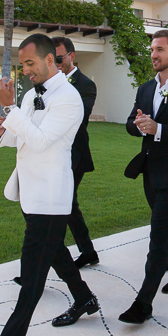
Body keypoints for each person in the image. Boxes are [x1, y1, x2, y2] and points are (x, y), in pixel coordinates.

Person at [0, 34, 99, 336]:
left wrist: (10, 109)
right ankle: (84, 297)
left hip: (51, 198)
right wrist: (2, 128)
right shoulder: (30, 94)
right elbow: (20, 137)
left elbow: (40, 141)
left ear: (49, 60)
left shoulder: (70, 98)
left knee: (32, 276)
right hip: (31, 193)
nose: (25, 70)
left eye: (30, 63)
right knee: (54, 251)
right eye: (22, 64)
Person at [119, 30, 168, 324]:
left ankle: (143, 303)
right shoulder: (144, 88)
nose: (153, 54)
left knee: (159, 234)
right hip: (150, 169)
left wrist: (159, 130)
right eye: (152, 49)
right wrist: (140, 126)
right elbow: (130, 123)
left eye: (160, 50)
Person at [52, 36, 100, 268]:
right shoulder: (46, 83)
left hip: (74, 155)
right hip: (50, 154)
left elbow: (78, 119)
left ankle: (49, 259)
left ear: (72, 56)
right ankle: (87, 251)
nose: (55, 63)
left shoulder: (86, 85)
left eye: (59, 58)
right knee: (66, 206)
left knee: (60, 205)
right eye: (51, 59)